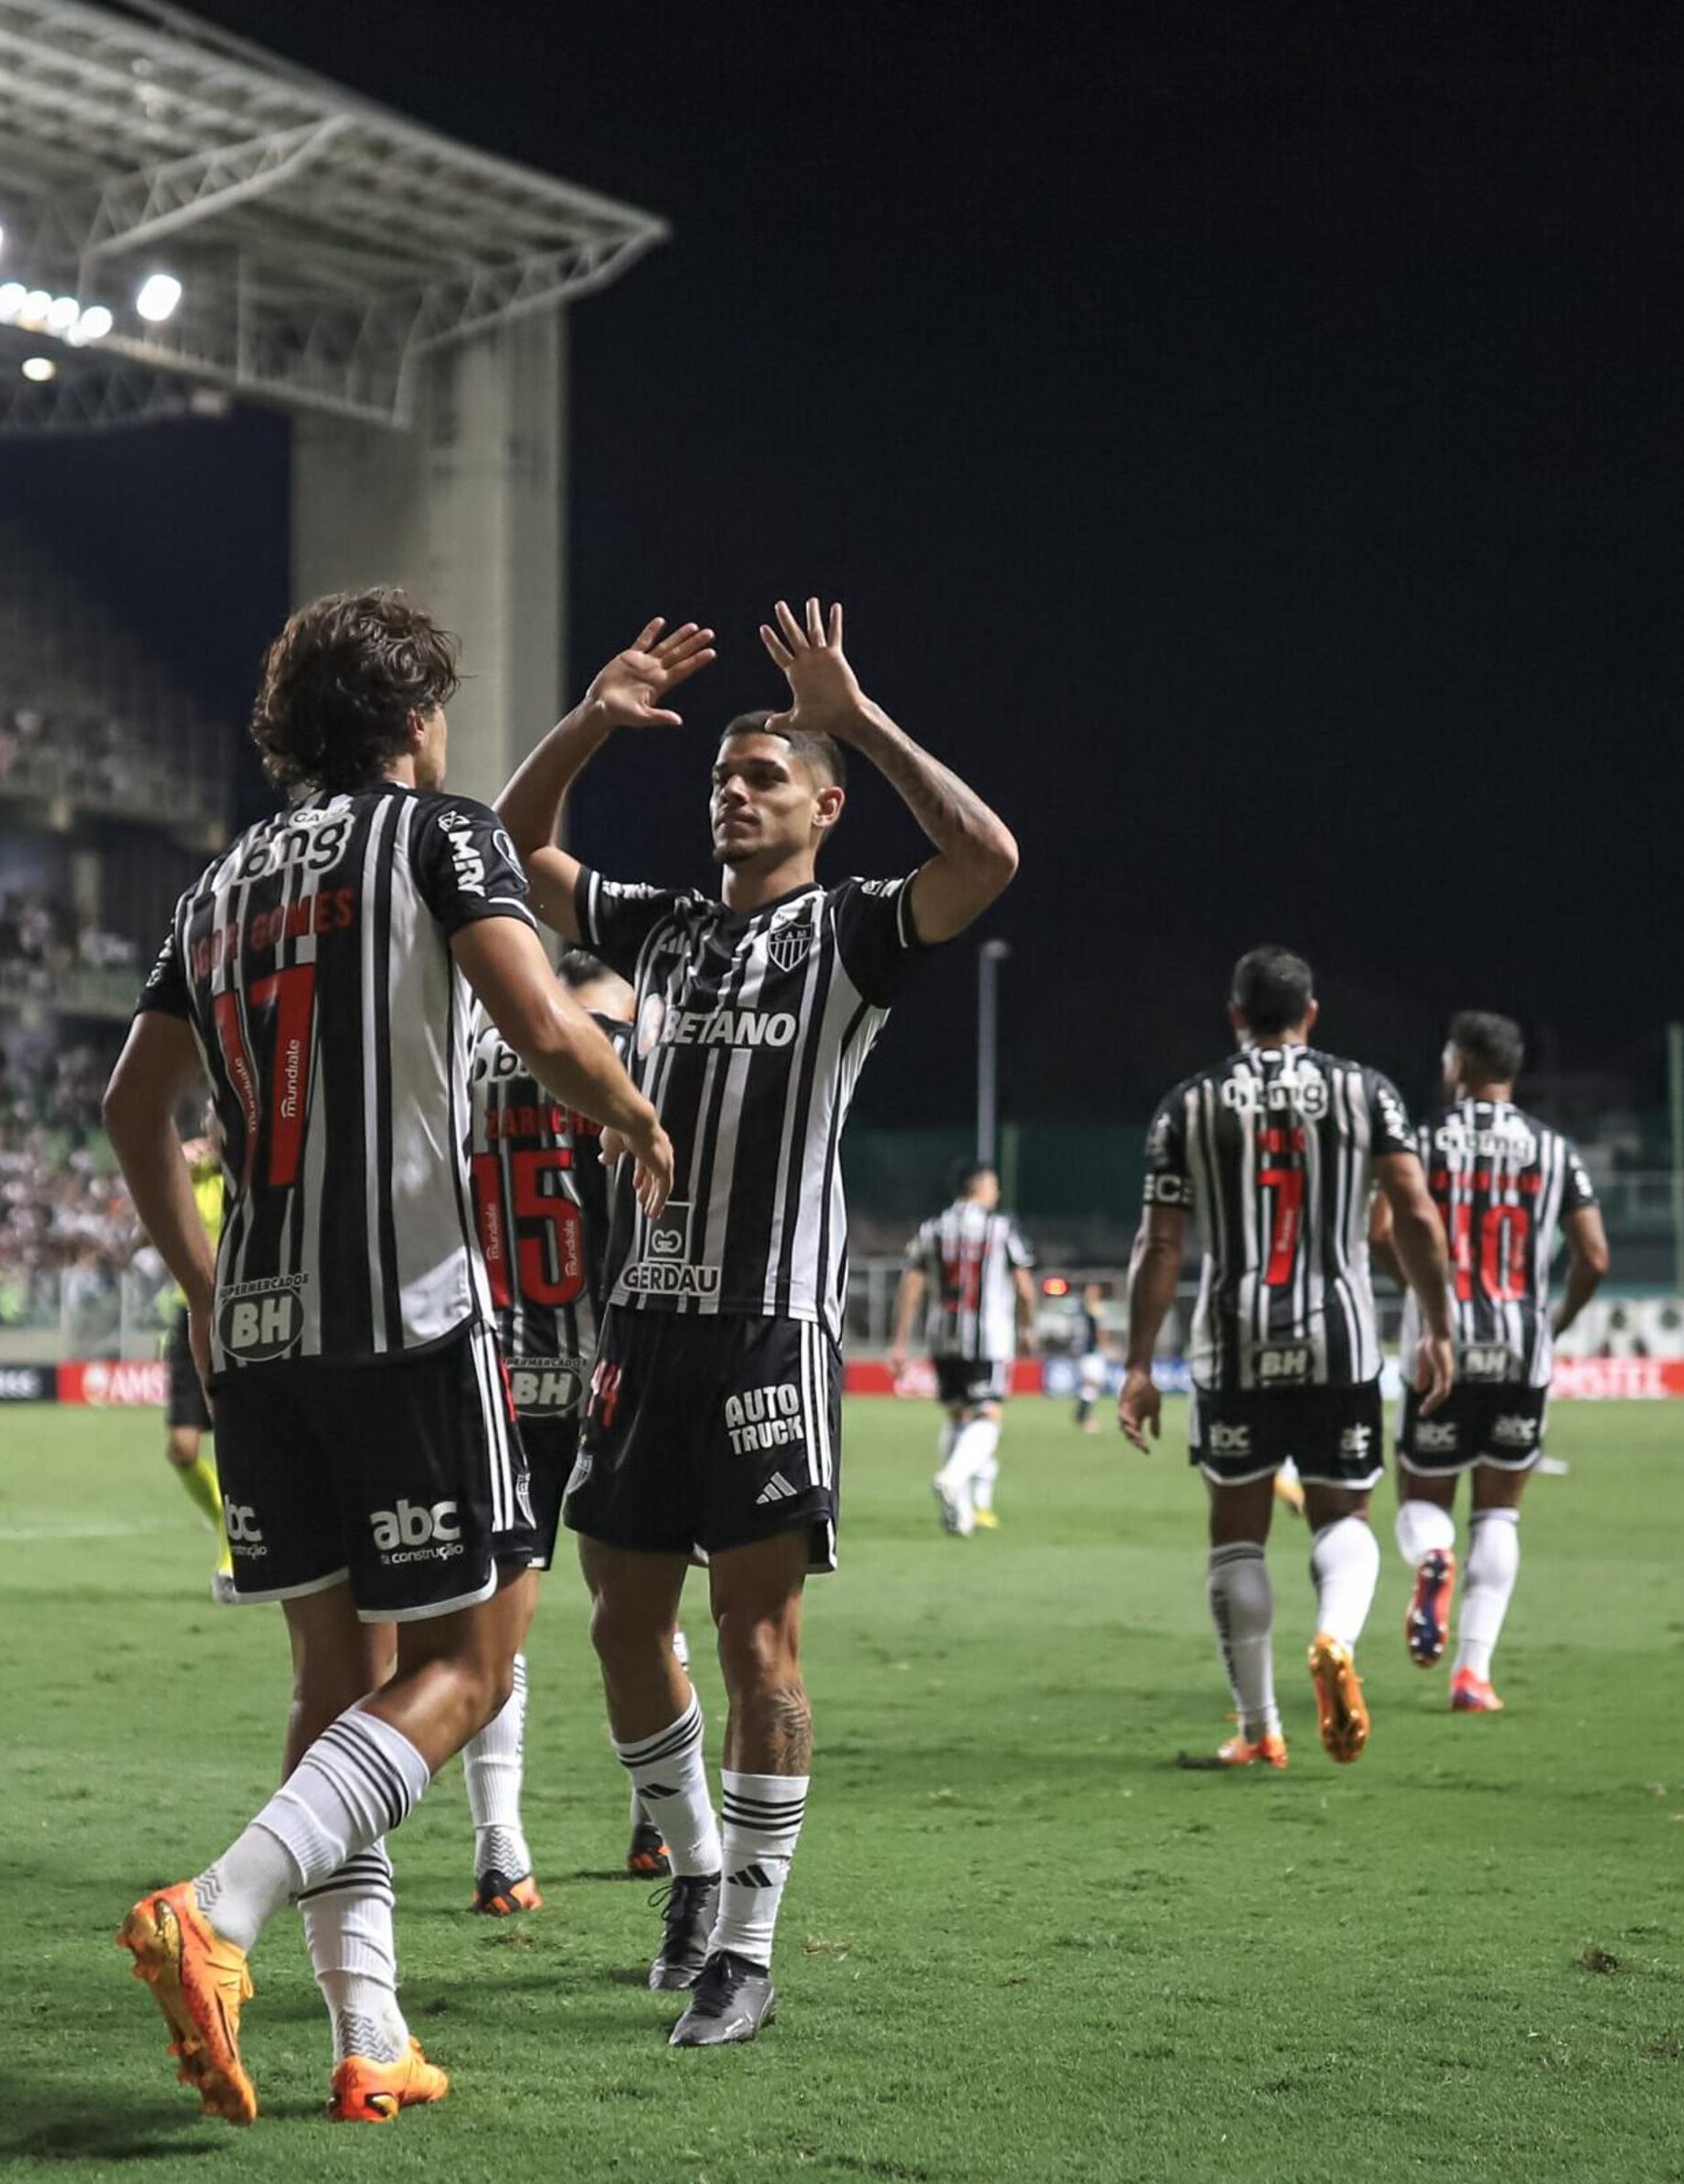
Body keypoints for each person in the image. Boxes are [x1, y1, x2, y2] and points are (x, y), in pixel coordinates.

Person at [104, 589, 669, 2128]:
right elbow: (544, 1026)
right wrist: (632, 1116)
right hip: (410, 1315)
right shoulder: (440, 835)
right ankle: (216, 1912)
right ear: (419, 717)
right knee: (468, 1670)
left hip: (266, 1333)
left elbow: (129, 1112)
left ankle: (369, 2032)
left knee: (332, 1690)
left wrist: (211, 1294)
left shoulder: (215, 887)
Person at [500, 600, 1018, 2046]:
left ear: (824, 807)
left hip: (769, 1331)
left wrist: (852, 715)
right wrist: (595, 719)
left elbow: (986, 856)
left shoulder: (852, 933)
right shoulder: (662, 928)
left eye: (764, 777)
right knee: (617, 1622)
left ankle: (747, 1945)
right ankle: (693, 1863)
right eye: (719, 779)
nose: (732, 794)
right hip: (642, 1331)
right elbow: (505, 847)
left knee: (758, 1643)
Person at [1118, 946, 1456, 1769]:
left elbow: (1160, 1245)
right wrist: (1437, 1324)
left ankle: (1260, 1726)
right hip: (1338, 1342)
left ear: (1236, 1016)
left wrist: (1136, 1365)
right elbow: (1411, 1208)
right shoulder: (1367, 1091)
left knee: (1237, 1537)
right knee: (1342, 1517)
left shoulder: (1186, 1107)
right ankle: (1334, 1639)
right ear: (1312, 1014)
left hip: (1233, 1346)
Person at [452, 947, 681, 1913]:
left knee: (498, 1623)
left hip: (494, 1370)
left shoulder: (471, 1049)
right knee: (641, 1612)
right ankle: (657, 1823)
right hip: (614, 1370)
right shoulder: (630, 1056)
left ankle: (502, 1845)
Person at [1381, 1011, 1608, 1712]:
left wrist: (1422, 1294)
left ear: (1460, 1064)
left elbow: (1380, 1232)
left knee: (1423, 1500)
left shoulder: (1422, 1143)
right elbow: (1594, 1257)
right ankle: (1473, 1677)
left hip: (1439, 1347)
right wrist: (1556, 1322)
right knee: (1499, 1517)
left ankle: (1430, 1561)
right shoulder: (1553, 1149)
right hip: (1520, 1347)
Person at [889, 1163, 1037, 1536]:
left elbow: (911, 1285)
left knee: (958, 1416)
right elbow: (1023, 1286)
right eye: (994, 1186)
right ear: (981, 1187)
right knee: (988, 1416)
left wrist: (900, 1340)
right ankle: (953, 1479)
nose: (997, 1193)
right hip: (988, 1338)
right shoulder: (1001, 1228)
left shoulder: (931, 1229)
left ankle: (961, 1514)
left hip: (942, 1336)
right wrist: (1028, 1326)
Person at [157, 1127, 231, 1589]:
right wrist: (171, 1176)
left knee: (237, 1444)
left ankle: (233, 1555)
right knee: (182, 1449)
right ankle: (230, 1526)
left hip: (244, 1316)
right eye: (208, 1119)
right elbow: (143, 1236)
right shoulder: (195, 1175)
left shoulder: (251, 1175)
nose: (213, 1128)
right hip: (190, 1316)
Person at [1069, 1279, 1118, 1432]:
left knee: (1091, 1384)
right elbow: (1100, 1331)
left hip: (1082, 1351)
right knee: (1093, 1383)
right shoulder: (1093, 1309)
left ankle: (1082, 1415)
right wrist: (1108, 1347)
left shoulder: (1079, 1309)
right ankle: (1083, 1417)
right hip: (1089, 1351)